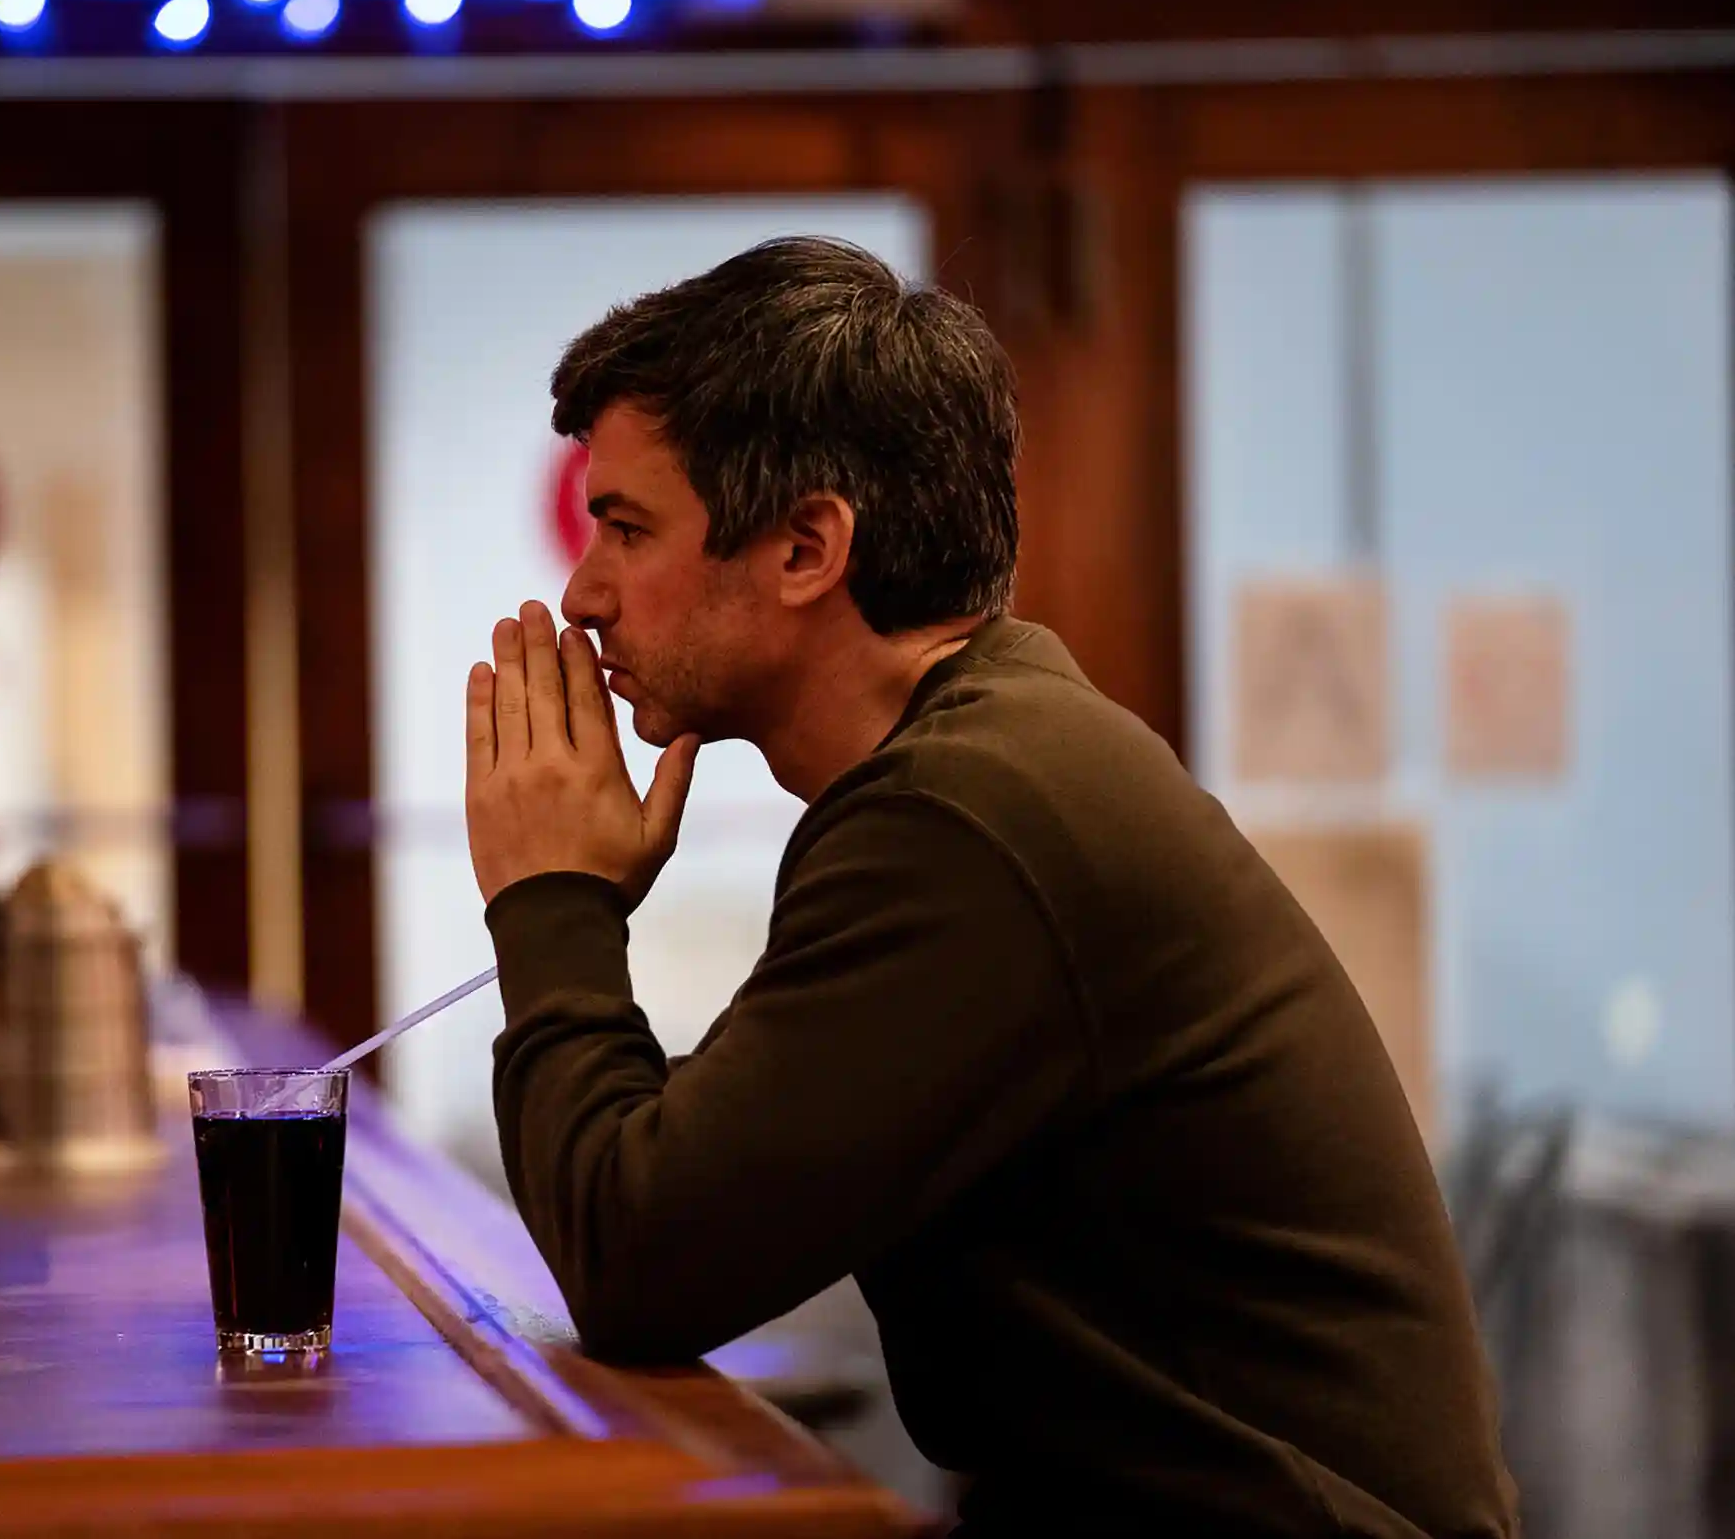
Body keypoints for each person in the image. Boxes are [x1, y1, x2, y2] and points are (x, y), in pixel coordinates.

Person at [461, 237, 1516, 1538]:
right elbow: (685, 1202)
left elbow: (638, 1254)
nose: (583, 592)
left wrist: (552, 896)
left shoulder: (974, 812)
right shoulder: (966, 767)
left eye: (626, 526)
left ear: (807, 546)